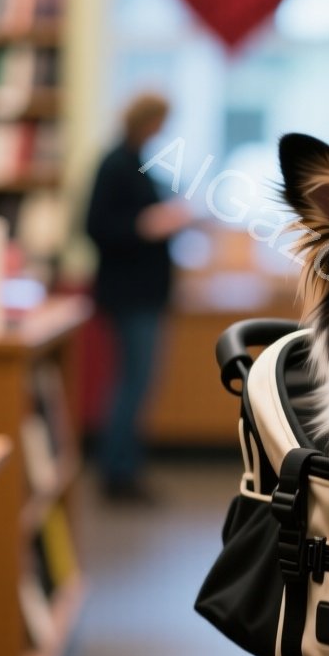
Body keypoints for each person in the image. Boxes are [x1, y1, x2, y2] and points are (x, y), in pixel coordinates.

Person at [85, 93, 194, 503]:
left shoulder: (139, 162)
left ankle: (125, 466)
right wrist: (145, 226)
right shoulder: (116, 163)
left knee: (137, 382)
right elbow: (96, 225)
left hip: (145, 292)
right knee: (132, 383)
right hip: (129, 294)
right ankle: (118, 472)